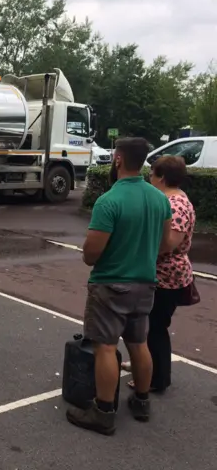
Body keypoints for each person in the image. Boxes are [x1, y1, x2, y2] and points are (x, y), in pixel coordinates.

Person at [66, 137, 172, 435]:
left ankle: (103, 412)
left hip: (111, 285)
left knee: (105, 347)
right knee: (139, 344)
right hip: (146, 285)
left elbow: (91, 254)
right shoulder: (159, 199)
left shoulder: (109, 201)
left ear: (118, 159)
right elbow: (164, 245)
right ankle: (141, 401)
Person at [122, 156, 196, 393]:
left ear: (162, 177)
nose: (149, 178)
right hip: (164, 274)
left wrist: (137, 248)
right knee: (148, 326)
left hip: (167, 277)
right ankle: (143, 365)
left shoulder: (175, 205)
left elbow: (169, 243)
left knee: (154, 328)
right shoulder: (171, 198)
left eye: (152, 174)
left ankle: (157, 379)